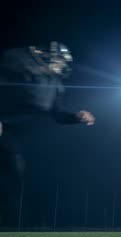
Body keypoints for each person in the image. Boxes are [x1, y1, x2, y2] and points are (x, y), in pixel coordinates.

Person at [0, 41, 95, 225]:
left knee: (14, 170)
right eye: (59, 60)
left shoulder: (54, 85)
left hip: (9, 131)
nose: (62, 65)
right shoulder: (19, 62)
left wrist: (76, 117)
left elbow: (56, 113)